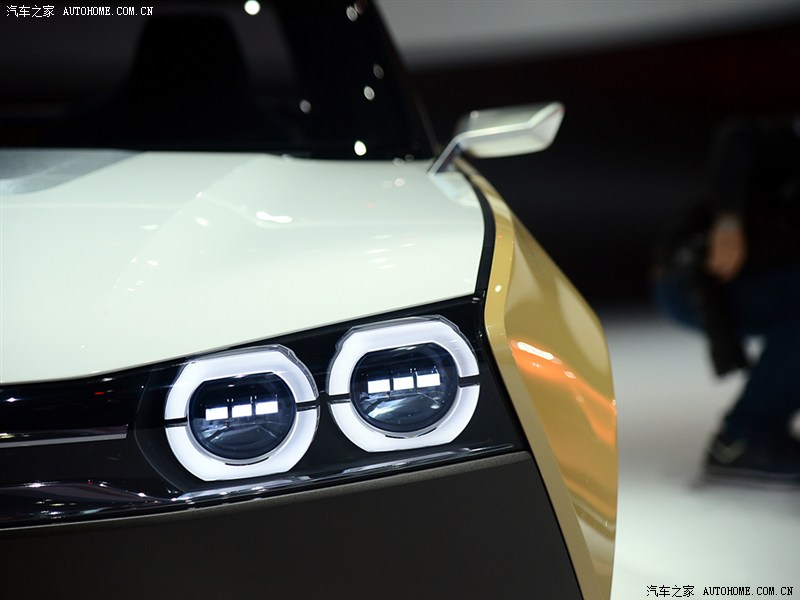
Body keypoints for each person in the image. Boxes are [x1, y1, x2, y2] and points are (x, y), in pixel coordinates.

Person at [654, 113, 800, 482]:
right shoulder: (781, 146)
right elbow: (738, 138)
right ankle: (744, 438)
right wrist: (729, 222)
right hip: (701, 279)